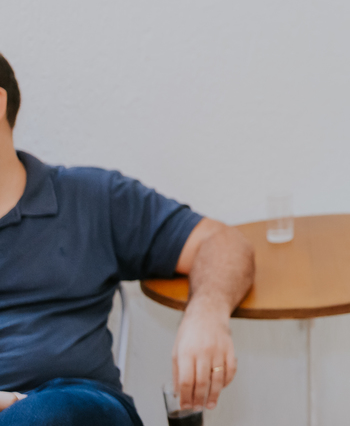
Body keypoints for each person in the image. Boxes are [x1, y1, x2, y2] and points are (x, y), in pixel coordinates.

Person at [0, 51, 255, 425]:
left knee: (41, 416)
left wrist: (207, 311)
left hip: (71, 405)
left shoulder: (89, 198)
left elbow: (220, 242)